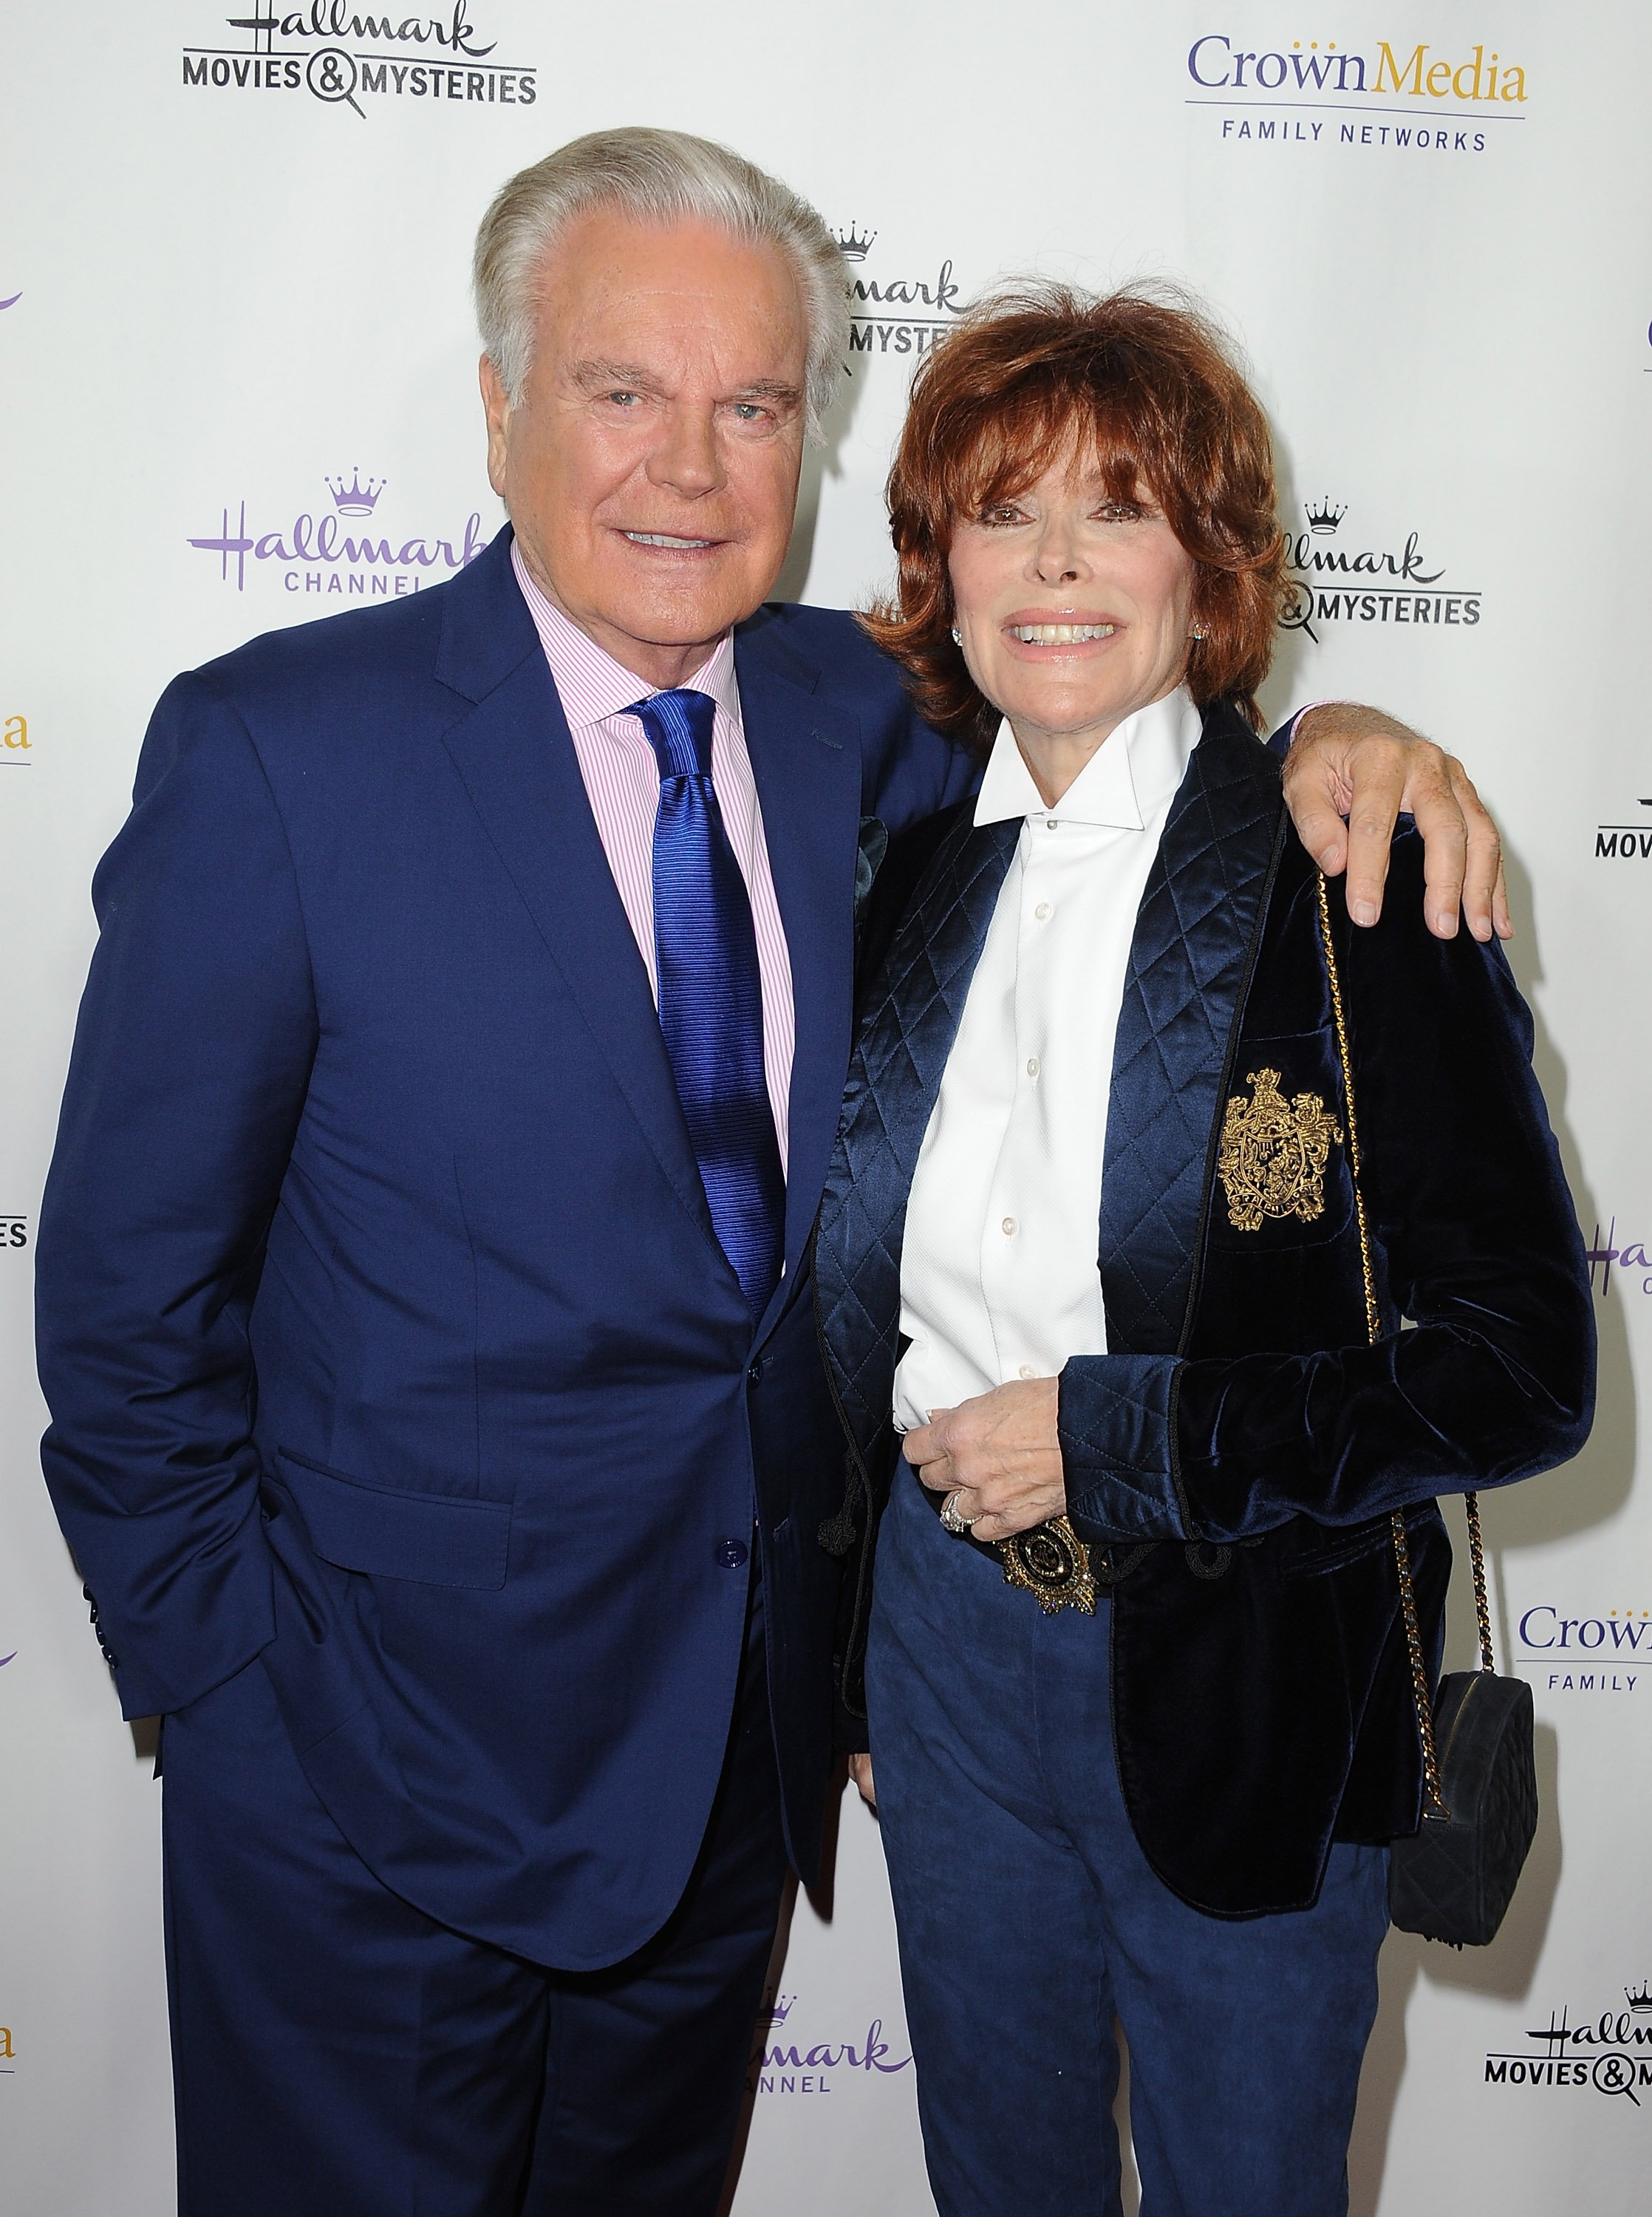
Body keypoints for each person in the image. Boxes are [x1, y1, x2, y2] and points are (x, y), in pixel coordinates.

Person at [35, 129, 1501, 2216]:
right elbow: (124, 1299)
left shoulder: (870, 723)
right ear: (496, 408)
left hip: (733, 1772)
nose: (691, 467)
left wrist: (1340, 733)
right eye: (621, 392)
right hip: (361, 1786)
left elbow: (1137, 734)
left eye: (750, 404)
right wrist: (233, 1706)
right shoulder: (280, 752)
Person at [815, 283, 1594, 2217]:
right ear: (941, 564)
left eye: (1119, 506)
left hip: (1248, 1672)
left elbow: (1517, 1367)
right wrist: (851, 1657)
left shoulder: (1352, 870)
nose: (1057, 563)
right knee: (996, 2180)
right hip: (938, 1654)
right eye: (1004, 511)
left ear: (1211, 559)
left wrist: (1117, 1438)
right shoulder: (895, 879)